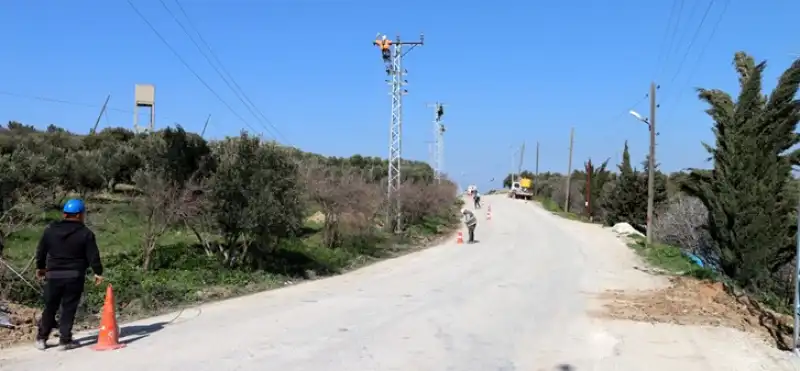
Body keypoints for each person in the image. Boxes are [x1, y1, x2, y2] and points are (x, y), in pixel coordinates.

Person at [34, 199, 104, 351]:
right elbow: (93, 255)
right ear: (80, 215)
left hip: (53, 274)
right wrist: (98, 272)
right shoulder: (86, 234)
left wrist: (40, 267)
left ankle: (41, 338)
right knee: (68, 307)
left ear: (65, 214)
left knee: (50, 306)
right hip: (74, 275)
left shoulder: (50, 230)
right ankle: (64, 340)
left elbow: (41, 251)